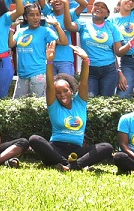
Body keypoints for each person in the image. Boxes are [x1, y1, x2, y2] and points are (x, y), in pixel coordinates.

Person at [26, 42, 113, 171]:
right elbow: (50, 85)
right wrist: (49, 62)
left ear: (72, 90)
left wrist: (85, 60)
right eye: (58, 93)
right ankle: (72, 164)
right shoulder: (54, 105)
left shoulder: (80, 102)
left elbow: (83, 83)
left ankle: (70, 166)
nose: (62, 95)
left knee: (107, 147)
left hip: (76, 151)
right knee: (34, 139)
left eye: (65, 91)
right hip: (56, 149)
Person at [10, 0, 60, 99]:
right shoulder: (20, 32)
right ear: (25, 17)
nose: (35, 18)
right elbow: (11, 44)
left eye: (38, 15)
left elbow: (63, 42)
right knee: (18, 105)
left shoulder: (45, 31)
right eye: (32, 15)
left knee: (39, 104)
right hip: (22, 75)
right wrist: (12, 28)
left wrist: (56, 25)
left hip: (38, 74)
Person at [77, 0, 127, 96]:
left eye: (103, 7)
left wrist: (132, 42)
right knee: (91, 100)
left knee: (106, 101)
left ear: (107, 14)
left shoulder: (112, 28)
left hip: (109, 70)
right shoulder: (83, 24)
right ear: (91, 9)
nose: (99, 8)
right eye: (96, 5)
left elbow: (118, 52)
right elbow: (69, 26)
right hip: (89, 69)